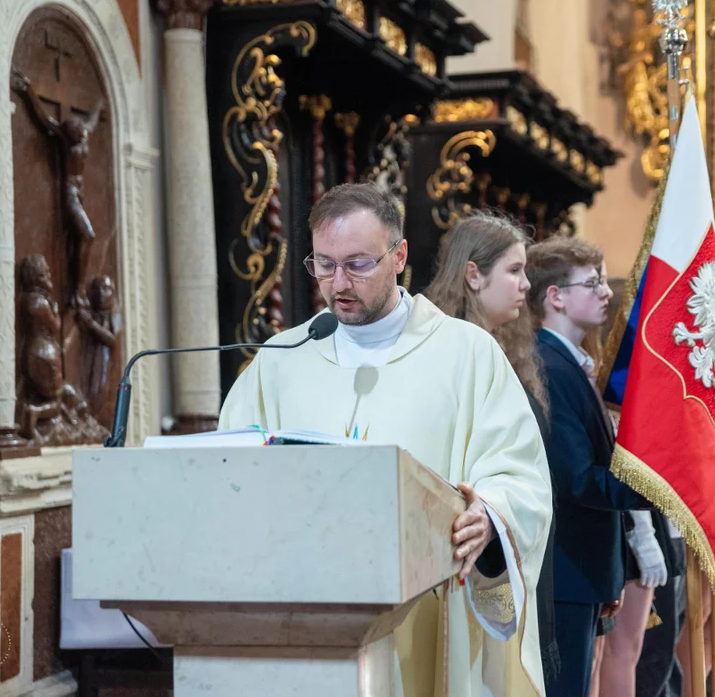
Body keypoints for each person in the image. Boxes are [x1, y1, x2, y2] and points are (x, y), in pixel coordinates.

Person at [219, 183, 553, 696]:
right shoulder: (282, 358)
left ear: (398, 256)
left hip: (426, 606)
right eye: (324, 265)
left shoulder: (466, 354)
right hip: (306, 608)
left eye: (357, 264)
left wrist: (490, 512)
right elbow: (228, 468)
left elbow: (518, 470)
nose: (338, 283)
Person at [524, 237, 678, 697]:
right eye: (592, 282)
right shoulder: (548, 365)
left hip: (587, 567)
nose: (606, 291)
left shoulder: (570, 362)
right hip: (569, 566)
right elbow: (577, 479)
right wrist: (663, 490)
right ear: (555, 297)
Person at [423, 211, 560, 682]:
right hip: (473, 559)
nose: (527, 284)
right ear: (473, 274)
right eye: (515, 270)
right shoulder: (443, 357)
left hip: (518, 539)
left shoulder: (507, 349)